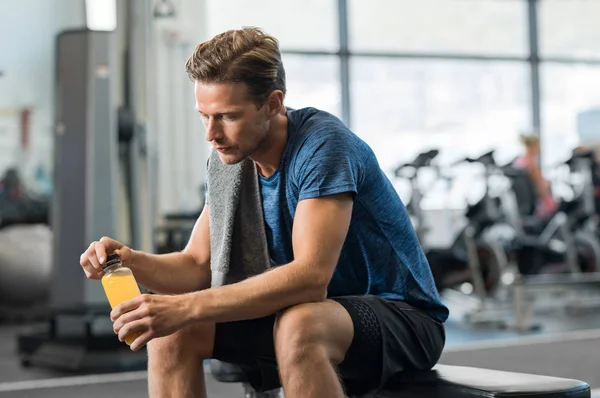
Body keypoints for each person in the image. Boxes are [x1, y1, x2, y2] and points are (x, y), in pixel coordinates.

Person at [79, 27, 448, 398]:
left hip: (403, 318)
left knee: (300, 324)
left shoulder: (323, 147)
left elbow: (310, 278)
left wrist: (187, 306)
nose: (211, 133)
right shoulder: (228, 161)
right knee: (173, 333)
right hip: (310, 312)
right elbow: (195, 265)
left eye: (227, 116)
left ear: (272, 103)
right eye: (204, 116)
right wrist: (129, 260)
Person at [513, 133, 557, 219]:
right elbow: (541, 189)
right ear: (533, 146)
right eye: (538, 146)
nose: (540, 149)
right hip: (538, 206)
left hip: (523, 206)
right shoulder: (531, 164)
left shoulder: (519, 161)